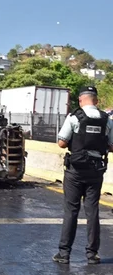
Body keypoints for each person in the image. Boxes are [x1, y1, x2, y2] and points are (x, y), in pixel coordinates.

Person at [53, 86, 113, 265]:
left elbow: (61, 143)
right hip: (96, 171)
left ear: (80, 100)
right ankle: (92, 254)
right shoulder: (106, 120)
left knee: (71, 211)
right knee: (92, 210)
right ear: (96, 100)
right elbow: (112, 146)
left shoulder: (74, 117)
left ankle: (64, 254)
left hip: (75, 171)